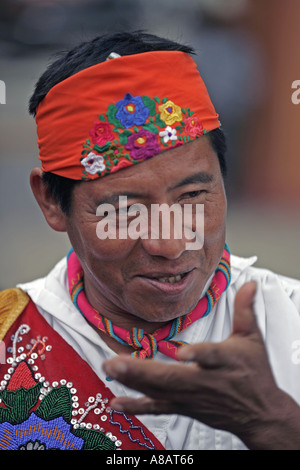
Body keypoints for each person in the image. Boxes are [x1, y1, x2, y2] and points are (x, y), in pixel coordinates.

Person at [0, 31, 299, 451]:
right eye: (123, 211)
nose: (170, 243)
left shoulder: (292, 319)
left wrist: (274, 425)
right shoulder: (9, 338)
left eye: (193, 196)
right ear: (51, 201)